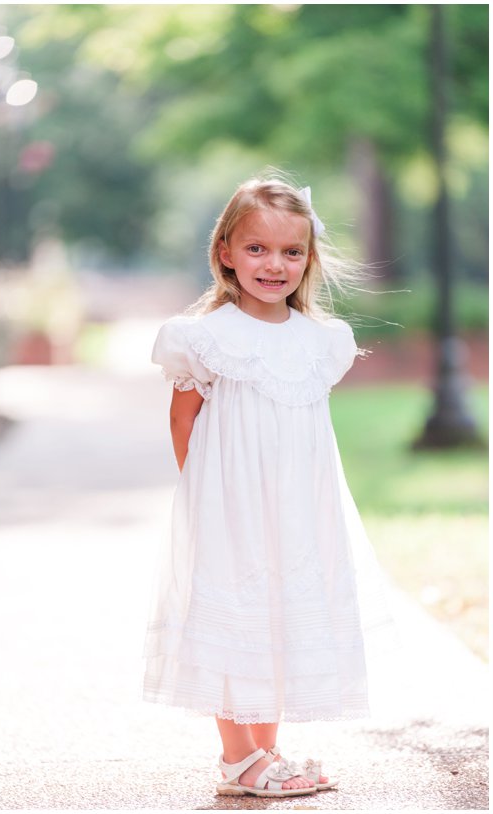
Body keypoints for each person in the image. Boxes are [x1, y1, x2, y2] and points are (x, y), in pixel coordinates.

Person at [144, 175, 393, 797]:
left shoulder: (323, 341)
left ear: (309, 258)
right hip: (230, 506)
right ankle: (237, 759)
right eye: (256, 249)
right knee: (234, 614)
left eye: (291, 251)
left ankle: (267, 750)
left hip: (297, 509)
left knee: (277, 619)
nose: (274, 264)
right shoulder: (203, 337)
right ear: (224, 251)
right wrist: (207, 497)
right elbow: (183, 420)